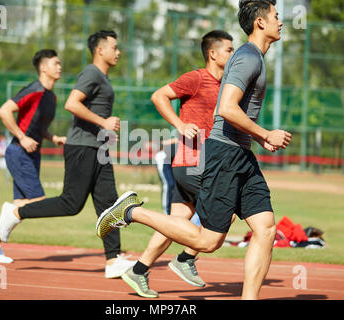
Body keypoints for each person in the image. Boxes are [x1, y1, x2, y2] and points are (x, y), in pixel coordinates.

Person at [96, 0, 292, 300]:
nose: (282, 21)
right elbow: (225, 109)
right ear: (260, 23)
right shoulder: (248, 57)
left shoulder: (254, 58)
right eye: (276, 16)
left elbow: (233, 113)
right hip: (223, 156)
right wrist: (265, 132)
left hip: (240, 155)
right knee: (209, 240)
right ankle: (131, 212)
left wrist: (257, 139)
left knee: (265, 228)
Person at [0, 30, 135, 278]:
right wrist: (103, 122)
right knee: (71, 204)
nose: (118, 51)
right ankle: (14, 213)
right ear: (100, 50)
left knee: (109, 203)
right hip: (82, 148)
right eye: (114, 47)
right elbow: (72, 103)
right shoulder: (91, 72)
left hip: (98, 148)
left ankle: (113, 260)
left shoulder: (103, 77)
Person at [119, 30, 235, 298]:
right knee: (229, 207)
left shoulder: (228, 85)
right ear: (213, 53)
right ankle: (185, 258)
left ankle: (138, 270)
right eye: (229, 49)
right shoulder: (196, 78)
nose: (233, 54)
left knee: (174, 223)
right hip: (193, 162)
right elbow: (159, 96)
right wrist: (180, 125)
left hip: (204, 162)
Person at [0, 49, 66, 263]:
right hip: (19, 152)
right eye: (55, 63)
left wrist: (54, 138)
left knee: (21, 203)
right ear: (43, 67)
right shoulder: (34, 90)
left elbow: (37, 126)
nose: (59, 66)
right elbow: (4, 111)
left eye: (59, 63)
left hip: (32, 155)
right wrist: (21, 136)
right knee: (38, 201)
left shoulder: (51, 97)